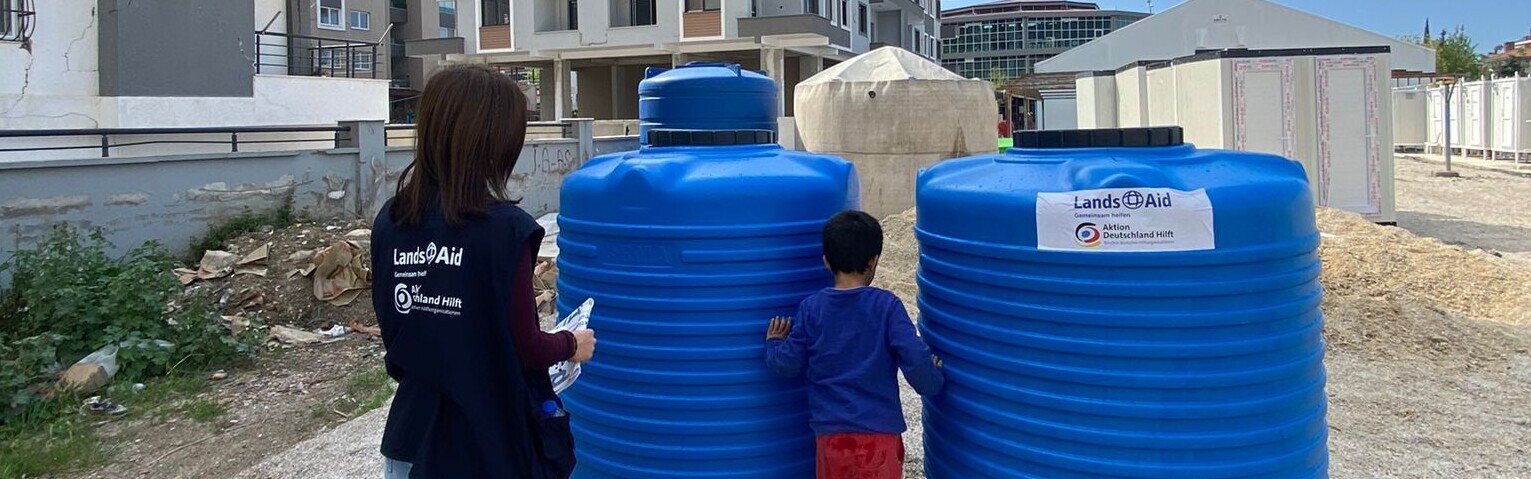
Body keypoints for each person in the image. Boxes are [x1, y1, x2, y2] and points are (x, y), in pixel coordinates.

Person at [371, 65, 597, 479]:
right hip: (482, 444)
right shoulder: (503, 230)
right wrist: (570, 343)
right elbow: (523, 347)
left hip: (409, 435)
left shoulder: (392, 219)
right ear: (495, 142)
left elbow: (395, 331)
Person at [763, 210, 945, 479]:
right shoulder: (887, 307)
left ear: (826, 262)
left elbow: (788, 364)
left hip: (831, 441)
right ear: (873, 262)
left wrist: (774, 343)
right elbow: (916, 360)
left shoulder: (811, 309)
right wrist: (933, 378)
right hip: (878, 442)